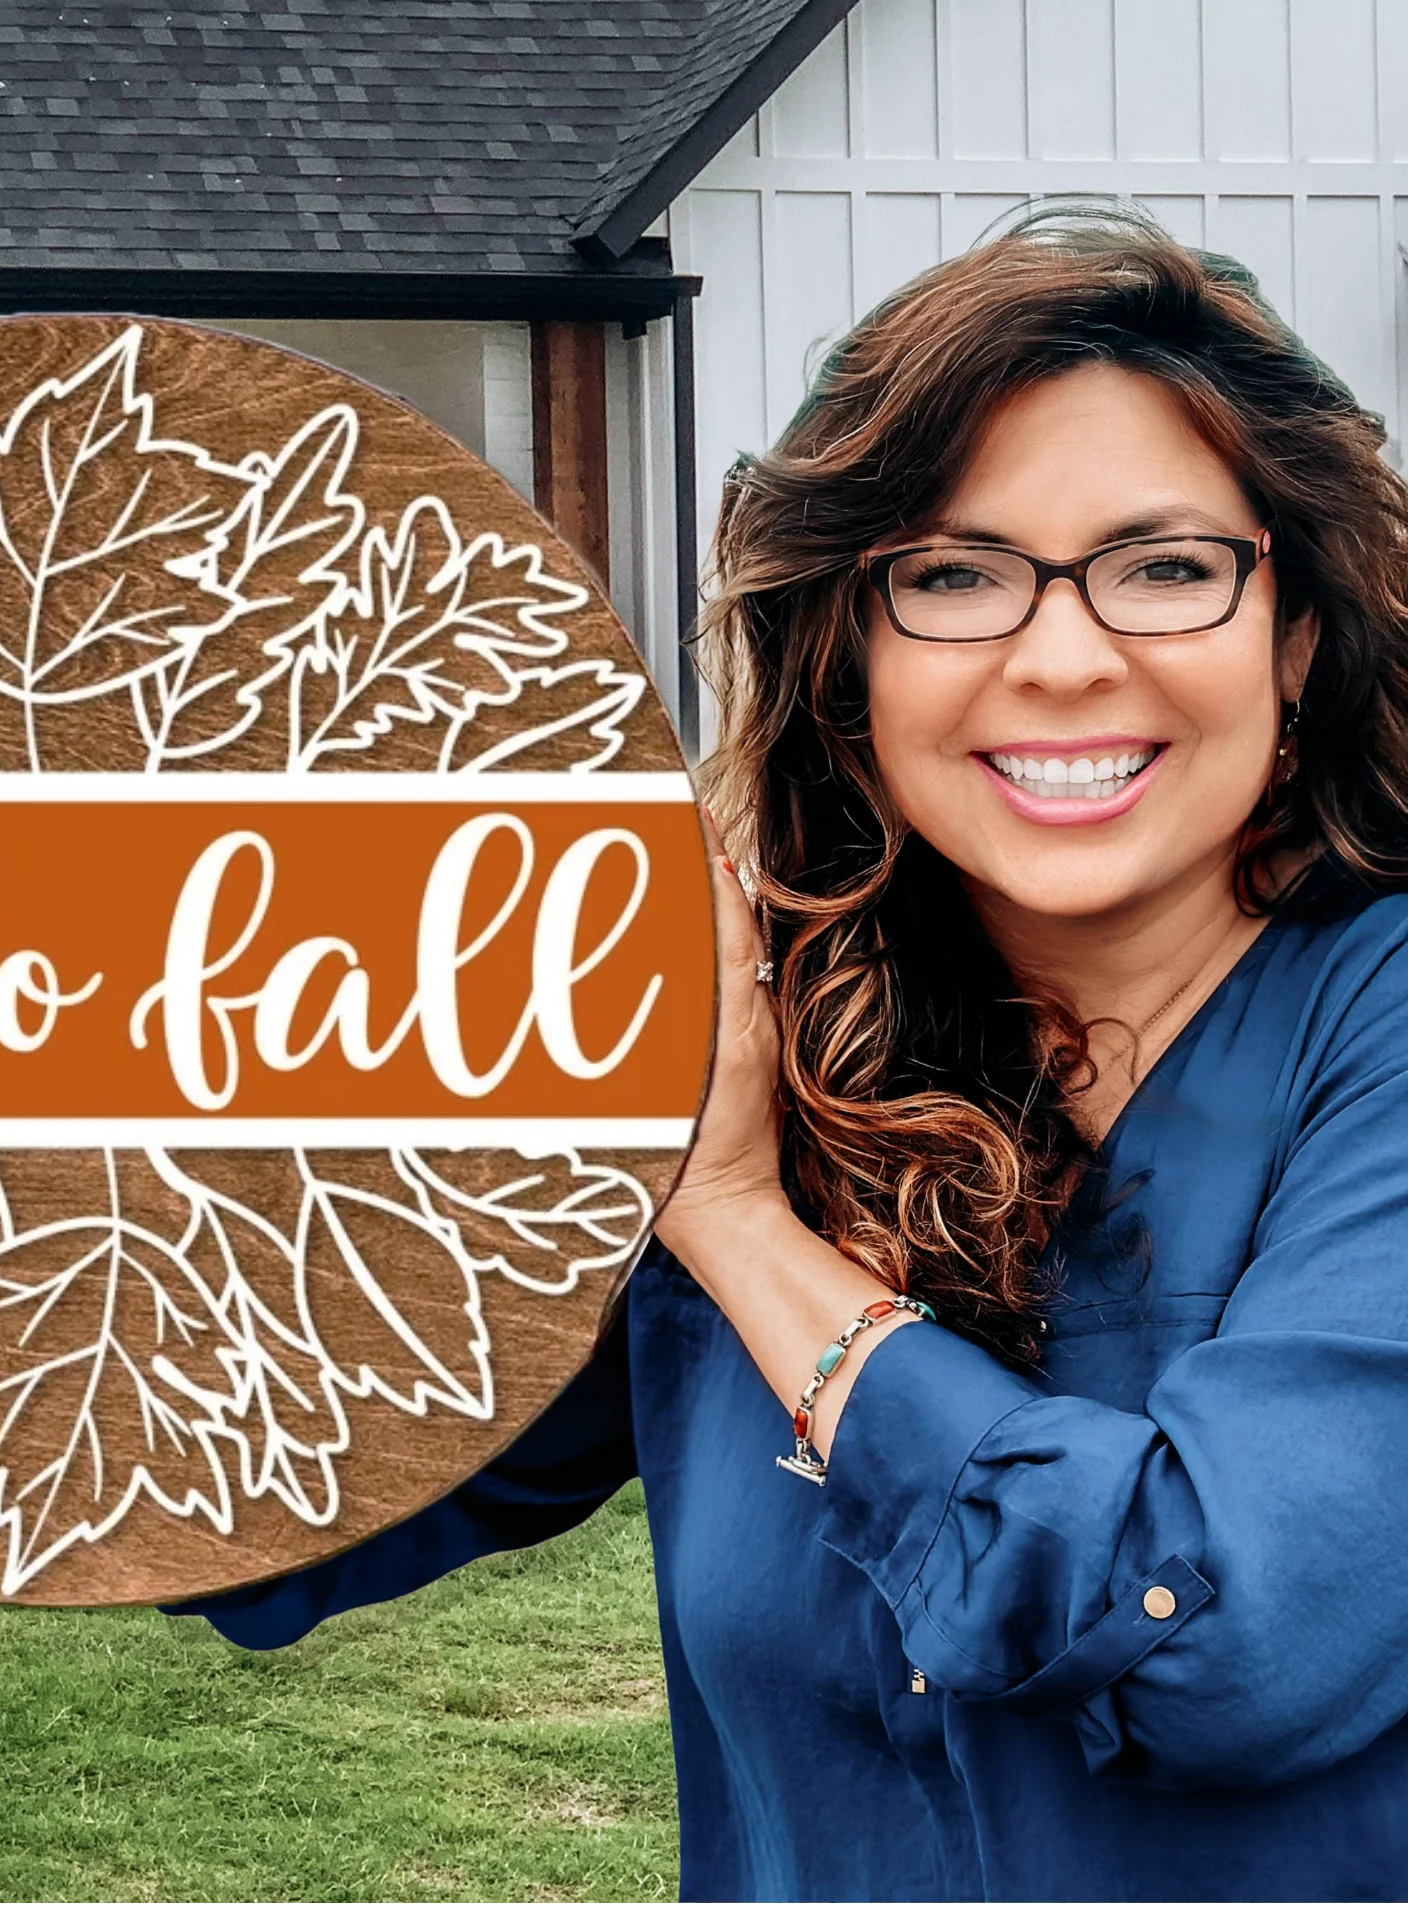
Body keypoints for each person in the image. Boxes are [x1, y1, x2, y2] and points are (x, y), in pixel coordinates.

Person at [172, 208, 1408, 1900]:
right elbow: (273, 1495)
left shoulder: (1373, 1035)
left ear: (1300, 632)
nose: (1060, 656)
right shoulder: (765, 1036)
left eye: (1168, 566)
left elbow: (1222, 1639)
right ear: (851, 657)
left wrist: (743, 1223)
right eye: (953, 576)